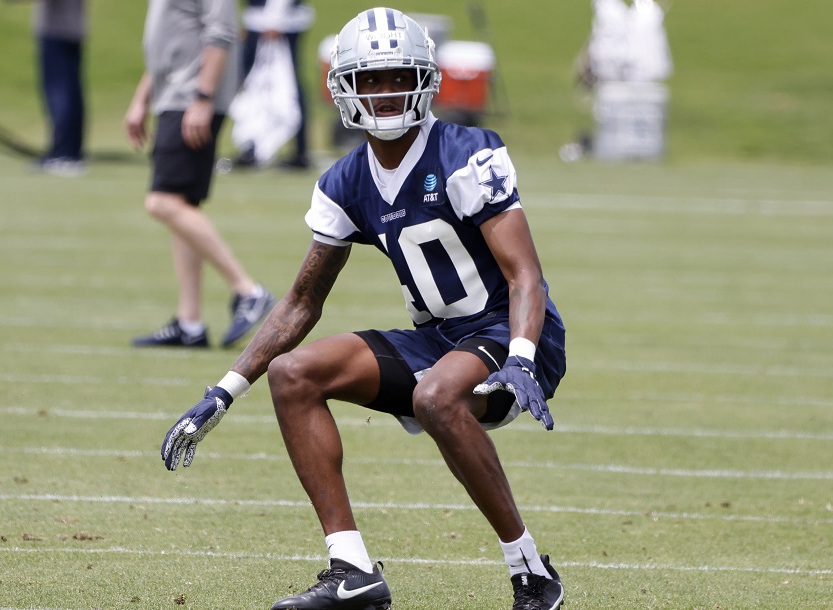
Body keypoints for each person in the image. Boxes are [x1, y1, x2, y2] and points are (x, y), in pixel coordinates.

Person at [159, 8, 567, 610]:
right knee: (294, 373)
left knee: (435, 396)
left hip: (509, 330)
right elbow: (300, 303)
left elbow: (523, 274)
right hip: (442, 340)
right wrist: (222, 392)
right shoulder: (346, 180)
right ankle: (352, 569)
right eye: (369, 79)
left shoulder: (464, 151)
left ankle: (531, 570)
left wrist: (525, 357)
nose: (384, 91)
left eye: (397, 75)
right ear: (344, 87)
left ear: (425, 77)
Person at [125, 0, 275, 349]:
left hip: (190, 98)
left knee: (162, 202)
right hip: (175, 95)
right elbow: (171, 39)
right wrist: (141, 98)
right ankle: (190, 323)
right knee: (180, 204)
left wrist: (202, 98)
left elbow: (221, 32)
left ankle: (248, 290)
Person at [234, 0, 314, 169]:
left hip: (278, 22)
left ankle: (299, 151)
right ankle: (253, 146)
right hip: (263, 20)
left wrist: (274, 17)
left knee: (284, 85)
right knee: (257, 85)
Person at [32, 0, 88, 177]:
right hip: (73, 27)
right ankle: (71, 151)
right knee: (71, 91)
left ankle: (64, 153)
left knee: (60, 92)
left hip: (56, 28)